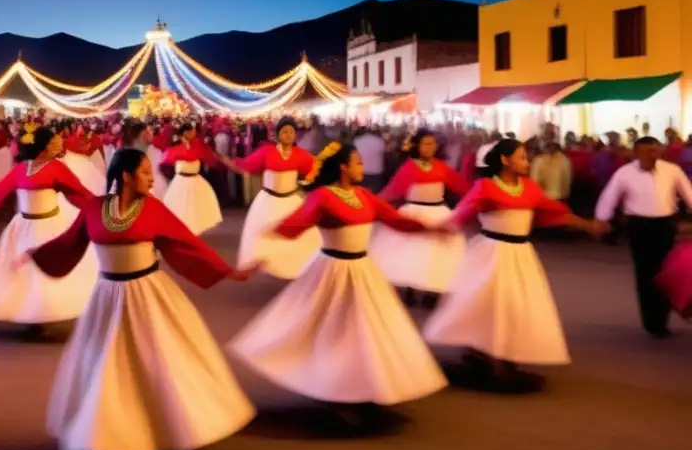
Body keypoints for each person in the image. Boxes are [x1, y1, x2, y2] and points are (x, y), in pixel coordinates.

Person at [14, 148, 256, 450]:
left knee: (155, 365)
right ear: (125, 175)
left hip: (147, 295)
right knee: (110, 371)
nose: (150, 178)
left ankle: (161, 433)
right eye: (144, 171)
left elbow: (187, 245)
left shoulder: (154, 209)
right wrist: (37, 253)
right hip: (107, 298)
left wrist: (227, 271)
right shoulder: (96, 209)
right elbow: (69, 242)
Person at [229, 142, 447, 428]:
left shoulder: (365, 197)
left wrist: (430, 228)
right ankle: (337, 391)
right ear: (343, 167)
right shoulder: (323, 197)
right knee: (335, 332)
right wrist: (267, 244)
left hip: (363, 270)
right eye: (357, 163)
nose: (362, 168)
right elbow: (295, 226)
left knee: (368, 331)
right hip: (332, 270)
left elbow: (396, 220)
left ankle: (364, 390)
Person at [423, 139, 606, 389]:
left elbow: (556, 211)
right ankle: (484, 355)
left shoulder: (529, 188)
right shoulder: (486, 187)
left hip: (520, 254)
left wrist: (587, 225)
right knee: (488, 303)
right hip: (492, 253)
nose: (527, 162)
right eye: (521, 157)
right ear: (505, 161)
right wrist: (438, 230)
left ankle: (504, 356)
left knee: (518, 304)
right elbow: (462, 214)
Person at [0, 126, 98, 332]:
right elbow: (1, 189)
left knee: (43, 269)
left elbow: (78, 193)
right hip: (22, 226)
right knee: (25, 272)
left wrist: (99, 207)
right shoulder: (21, 168)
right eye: (55, 142)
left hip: (49, 225)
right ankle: (31, 314)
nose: (59, 145)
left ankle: (41, 313)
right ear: (44, 146)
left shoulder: (57, 168)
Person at [594, 136, 692, 339]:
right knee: (645, 273)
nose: (652, 156)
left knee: (667, 273)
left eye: (655, 151)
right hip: (640, 226)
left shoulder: (671, 170)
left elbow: (689, 193)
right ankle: (652, 322)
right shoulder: (625, 173)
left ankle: (662, 319)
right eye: (647, 152)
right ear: (636, 153)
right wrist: (601, 219)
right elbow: (609, 196)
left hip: (665, 225)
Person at [369, 129, 470, 307]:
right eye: (426, 144)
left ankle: (433, 291)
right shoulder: (408, 167)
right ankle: (410, 289)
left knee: (437, 255)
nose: (430, 147)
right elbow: (392, 190)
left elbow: (461, 186)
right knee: (410, 253)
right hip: (414, 212)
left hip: (439, 212)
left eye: (433, 144)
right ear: (417, 146)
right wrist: (371, 203)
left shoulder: (442, 167)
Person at [229, 117, 321, 279]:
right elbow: (248, 165)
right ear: (278, 134)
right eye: (285, 132)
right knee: (265, 235)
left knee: (298, 235)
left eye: (291, 132)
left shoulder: (301, 155)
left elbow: (313, 172)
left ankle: (295, 267)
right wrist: (230, 162)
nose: (288, 135)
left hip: (291, 199)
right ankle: (268, 264)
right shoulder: (267, 151)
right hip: (268, 201)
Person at [160, 122, 223, 235]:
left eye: (193, 131)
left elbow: (208, 157)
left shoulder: (198, 145)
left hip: (195, 180)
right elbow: (165, 163)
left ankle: (193, 231)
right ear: (184, 133)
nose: (193, 133)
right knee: (180, 207)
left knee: (196, 208)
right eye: (190, 131)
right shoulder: (175, 147)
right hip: (181, 181)